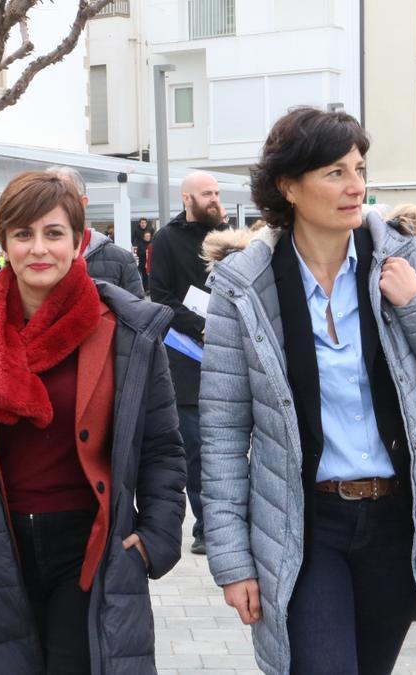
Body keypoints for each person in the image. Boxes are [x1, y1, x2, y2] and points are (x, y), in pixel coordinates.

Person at [200, 107, 416, 674]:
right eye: (335, 172)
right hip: (305, 525)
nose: (356, 185)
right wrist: (232, 559)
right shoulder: (245, 288)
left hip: (399, 521)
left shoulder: (412, 263)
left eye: (359, 168)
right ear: (288, 186)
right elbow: (222, 431)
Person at [0, 171, 186, 673]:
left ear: (79, 241)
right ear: (3, 244)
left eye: (53, 233)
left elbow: (162, 449)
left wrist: (155, 541)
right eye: (23, 235)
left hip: (91, 547)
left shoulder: (128, 332)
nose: (38, 249)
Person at [149, 170, 229, 555]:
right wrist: (201, 327)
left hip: (229, 356)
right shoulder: (166, 240)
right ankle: (205, 527)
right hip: (186, 359)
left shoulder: (229, 238)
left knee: (229, 447)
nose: (214, 198)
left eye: (216, 192)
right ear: (187, 199)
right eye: (206, 193)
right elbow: (160, 297)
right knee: (196, 448)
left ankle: (231, 521)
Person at [46, 166, 144, 298]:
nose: (52, 207)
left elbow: (136, 314)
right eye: (45, 200)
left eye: (63, 199)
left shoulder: (120, 260)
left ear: (82, 203)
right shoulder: (32, 256)